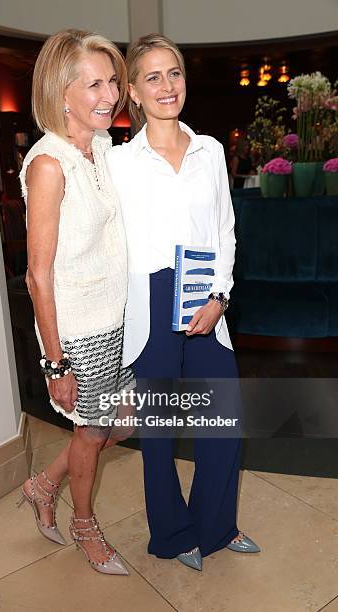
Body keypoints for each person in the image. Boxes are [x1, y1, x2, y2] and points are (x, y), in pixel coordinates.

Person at [106, 34, 260, 571]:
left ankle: (216, 526)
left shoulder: (210, 151)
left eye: (174, 73)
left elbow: (225, 232)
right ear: (133, 90)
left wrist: (220, 295)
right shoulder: (119, 162)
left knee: (225, 417)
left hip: (204, 295)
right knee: (158, 431)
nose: (166, 86)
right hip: (148, 300)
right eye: (152, 76)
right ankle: (172, 534)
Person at [17, 29, 134, 576]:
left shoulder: (101, 146)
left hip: (118, 317)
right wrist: (55, 360)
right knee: (90, 433)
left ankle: (44, 483)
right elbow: (38, 275)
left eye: (113, 80)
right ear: (61, 91)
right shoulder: (49, 165)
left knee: (125, 422)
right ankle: (84, 524)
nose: (110, 93)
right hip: (80, 331)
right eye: (94, 84)